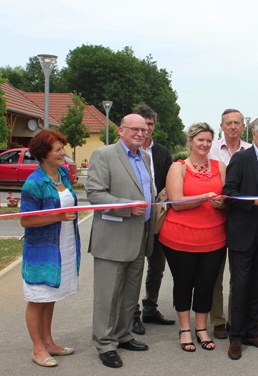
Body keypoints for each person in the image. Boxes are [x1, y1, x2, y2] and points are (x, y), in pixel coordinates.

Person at [86, 114, 155, 368]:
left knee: (129, 294)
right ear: (121, 130)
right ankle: (105, 344)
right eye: (135, 129)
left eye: (144, 129)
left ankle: (123, 334)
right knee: (108, 296)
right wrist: (127, 207)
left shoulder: (144, 157)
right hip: (113, 238)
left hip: (139, 237)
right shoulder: (104, 155)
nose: (141, 133)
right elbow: (95, 194)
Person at [159, 122, 227, 352]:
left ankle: (202, 329)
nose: (205, 144)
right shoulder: (178, 168)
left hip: (214, 238)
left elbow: (227, 197)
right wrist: (205, 197)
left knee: (206, 285)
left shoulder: (221, 166)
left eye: (209, 140)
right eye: (200, 140)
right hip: (180, 237)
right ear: (190, 141)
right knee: (184, 284)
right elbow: (176, 203)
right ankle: (185, 329)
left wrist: (221, 202)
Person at [20, 130, 80, 368]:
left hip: (64, 246)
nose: (63, 153)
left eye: (62, 148)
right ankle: (37, 349)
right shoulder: (33, 183)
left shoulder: (63, 174)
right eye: (58, 150)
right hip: (42, 252)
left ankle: (49, 342)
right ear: (43, 155)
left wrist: (65, 217)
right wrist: (59, 217)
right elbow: (26, 220)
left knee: (51, 297)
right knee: (38, 298)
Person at [223, 118, 258, 360]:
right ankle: (235, 336)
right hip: (245, 230)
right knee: (242, 285)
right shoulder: (242, 158)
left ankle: (251, 332)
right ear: (254, 136)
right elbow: (229, 194)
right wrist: (254, 202)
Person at [131, 104, 175, 335]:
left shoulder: (162, 153)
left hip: (158, 216)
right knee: (135, 267)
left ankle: (150, 307)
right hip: (135, 218)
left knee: (157, 266)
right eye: (142, 124)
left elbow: (169, 182)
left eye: (150, 124)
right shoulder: (128, 152)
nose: (146, 129)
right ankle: (132, 313)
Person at [208, 108, 251, 340]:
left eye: (237, 122)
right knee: (215, 274)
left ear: (243, 126)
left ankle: (236, 318)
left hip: (241, 220)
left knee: (239, 274)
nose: (233, 126)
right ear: (222, 126)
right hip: (214, 218)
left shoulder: (250, 151)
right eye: (228, 123)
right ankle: (217, 319)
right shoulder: (211, 149)